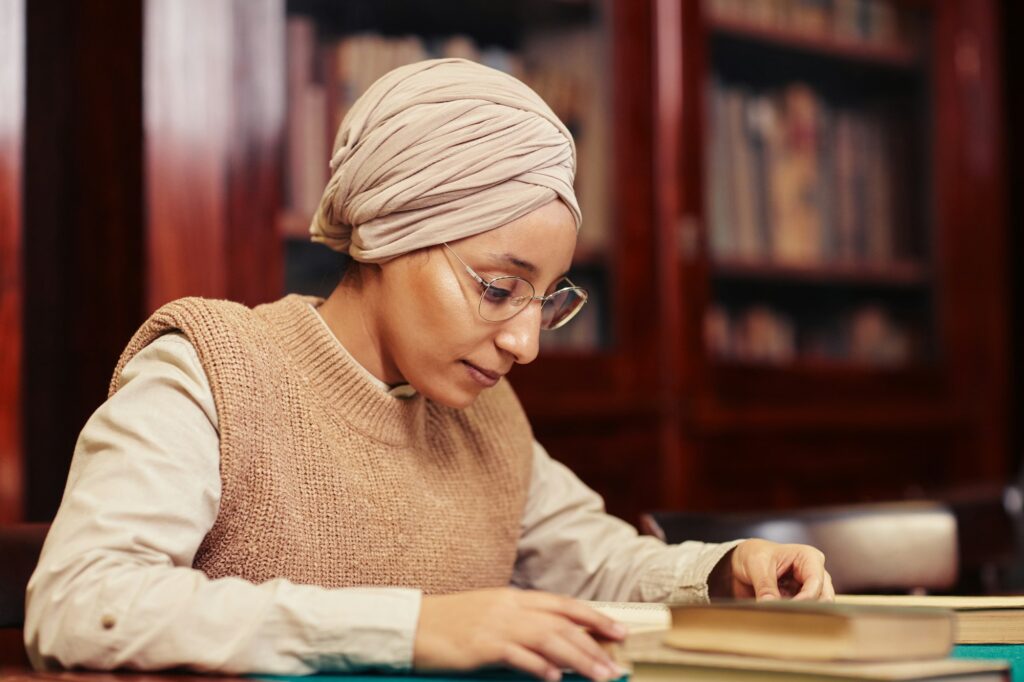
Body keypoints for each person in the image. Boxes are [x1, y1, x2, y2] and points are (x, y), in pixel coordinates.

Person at [24, 58, 833, 680]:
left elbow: (593, 563)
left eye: (548, 299)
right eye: (498, 289)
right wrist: (412, 627)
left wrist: (724, 575)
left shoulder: (483, 412)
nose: (527, 344)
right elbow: (81, 601)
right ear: (385, 233)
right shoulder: (213, 372)